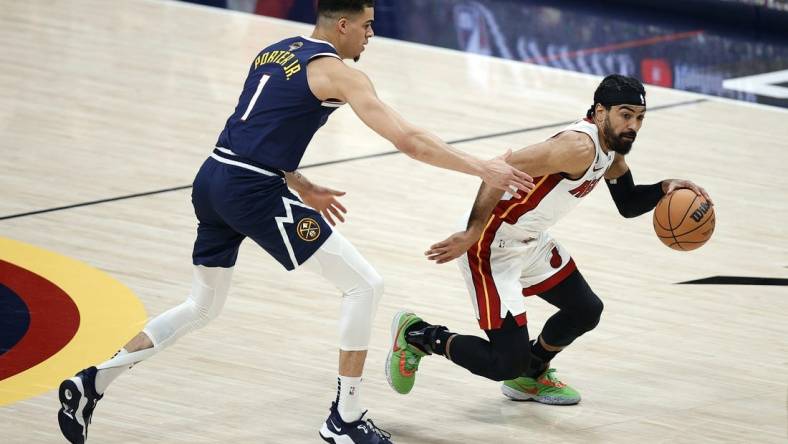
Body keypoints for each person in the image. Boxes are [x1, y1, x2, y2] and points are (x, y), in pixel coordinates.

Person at [55, 1, 534, 443]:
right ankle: (345, 418)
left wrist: (299, 182)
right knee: (364, 286)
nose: (371, 35)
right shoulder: (338, 73)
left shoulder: (274, 51)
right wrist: (482, 167)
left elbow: (258, 125)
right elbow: (409, 140)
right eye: (367, 25)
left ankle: (92, 381)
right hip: (252, 192)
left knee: (201, 306)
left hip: (214, 178)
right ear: (342, 25)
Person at [386, 74, 712, 406]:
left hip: (530, 241)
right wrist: (472, 231)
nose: (633, 125)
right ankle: (420, 336)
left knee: (586, 310)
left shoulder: (611, 150)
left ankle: (532, 373)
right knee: (505, 362)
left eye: (639, 117)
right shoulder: (578, 147)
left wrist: (664, 188)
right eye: (625, 114)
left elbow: (627, 203)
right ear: (600, 112)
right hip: (491, 243)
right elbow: (501, 167)